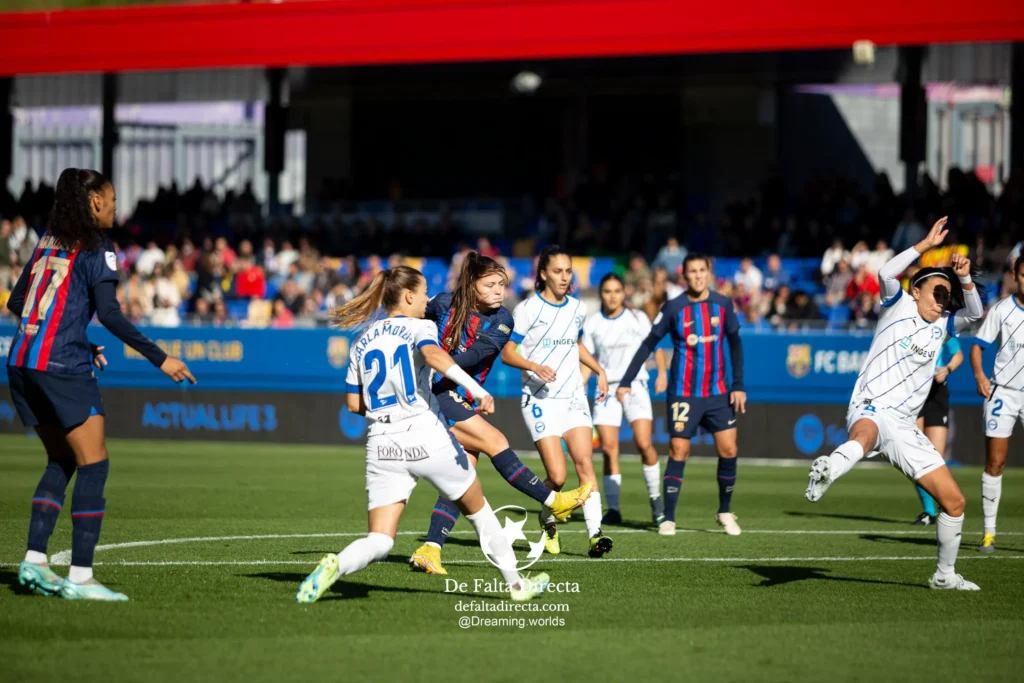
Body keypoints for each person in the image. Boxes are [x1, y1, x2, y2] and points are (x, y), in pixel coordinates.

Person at [295, 266, 548, 603]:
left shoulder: (360, 341)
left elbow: (354, 404)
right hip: (425, 433)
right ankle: (518, 586)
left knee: (381, 541)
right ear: (409, 296)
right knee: (480, 512)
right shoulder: (422, 326)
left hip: (381, 442)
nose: (429, 298)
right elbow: (432, 354)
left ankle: (336, 565)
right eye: (425, 291)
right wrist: (476, 389)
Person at [9, 168, 194, 602]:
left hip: (21, 358)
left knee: (61, 458)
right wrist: (160, 357)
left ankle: (35, 561)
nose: (116, 205)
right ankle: (80, 575)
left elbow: (19, 302)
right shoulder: (98, 248)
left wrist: (79, 337)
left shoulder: (48, 240)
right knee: (94, 463)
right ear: (94, 201)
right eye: (111, 198)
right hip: (59, 363)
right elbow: (110, 314)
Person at [805, 216, 985, 591]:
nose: (942, 300)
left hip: (905, 423)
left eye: (946, 296)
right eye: (937, 292)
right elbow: (886, 271)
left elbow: (976, 313)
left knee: (954, 502)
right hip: (871, 403)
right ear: (916, 290)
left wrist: (964, 278)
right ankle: (829, 471)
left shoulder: (945, 324)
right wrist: (923, 247)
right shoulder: (898, 302)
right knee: (865, 433)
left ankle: (944, 575)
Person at [407, 252, 592, 575]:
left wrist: (438, 360)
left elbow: (476, 354)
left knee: (462, 481)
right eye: (490, 284)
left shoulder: (502, 320)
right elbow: (411, 318)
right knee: (495, 440)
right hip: (434, 396)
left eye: (502, 285)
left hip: (456, 396)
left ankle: (430, 548)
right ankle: (552, 500)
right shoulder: (441, 303)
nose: (499, 291)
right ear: (471, 285)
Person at [617, 253, 746, 537]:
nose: (698, 276)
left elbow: (735, 344)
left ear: (708, 273)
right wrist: (626, 380)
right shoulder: (674, 308)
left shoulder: (723, 304)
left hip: (718, 393)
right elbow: (650, 342)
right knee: (679, 451)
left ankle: (725, 511)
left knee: (729, 449)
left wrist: (738, 385)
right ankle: (669, 518)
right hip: (683, 394)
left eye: (702, 270)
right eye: (692, 272)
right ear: (684, 276)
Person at [500, 245, 613, 558]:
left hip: (573, 397)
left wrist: (598, 369)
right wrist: (533, 367)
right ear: (543, 274)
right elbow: (508, 352)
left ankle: (595, 535)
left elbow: (574, 343)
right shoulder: (527, 309)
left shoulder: (577, 308)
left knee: (585, 464)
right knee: (559, 476)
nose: (565, 277)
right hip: (540, 399)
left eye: (568, 271)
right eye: (558, 271)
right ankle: (548, 519)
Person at [582, 273, 668, 526]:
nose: (612, 296)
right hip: (607, 389)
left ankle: (656, 502)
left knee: (644, 443)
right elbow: (587, 360)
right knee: (609, 450)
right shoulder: (593, 323)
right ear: (601, 294)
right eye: (607, 291)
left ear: (623, 293)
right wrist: (579, 383)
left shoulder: (637, 317)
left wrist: (662, 373)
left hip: (636, 385)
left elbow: (656, 346)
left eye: (617, 291)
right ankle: (614, 509)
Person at [970, 255, 1024, 553]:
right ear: (1016, 274)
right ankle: (989, 534)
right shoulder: (1002, 310)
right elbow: (977, 348)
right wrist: (979, 375)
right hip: (1003, 392)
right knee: (995, 462)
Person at [911, 336, 963, 525]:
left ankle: (943, 505)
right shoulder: (911, 324)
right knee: (915, 454)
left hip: (937, 389)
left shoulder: (944, 327)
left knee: (936, 459)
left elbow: (958, 355)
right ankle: (928, 511)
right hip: (914, 387)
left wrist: (947, 369)